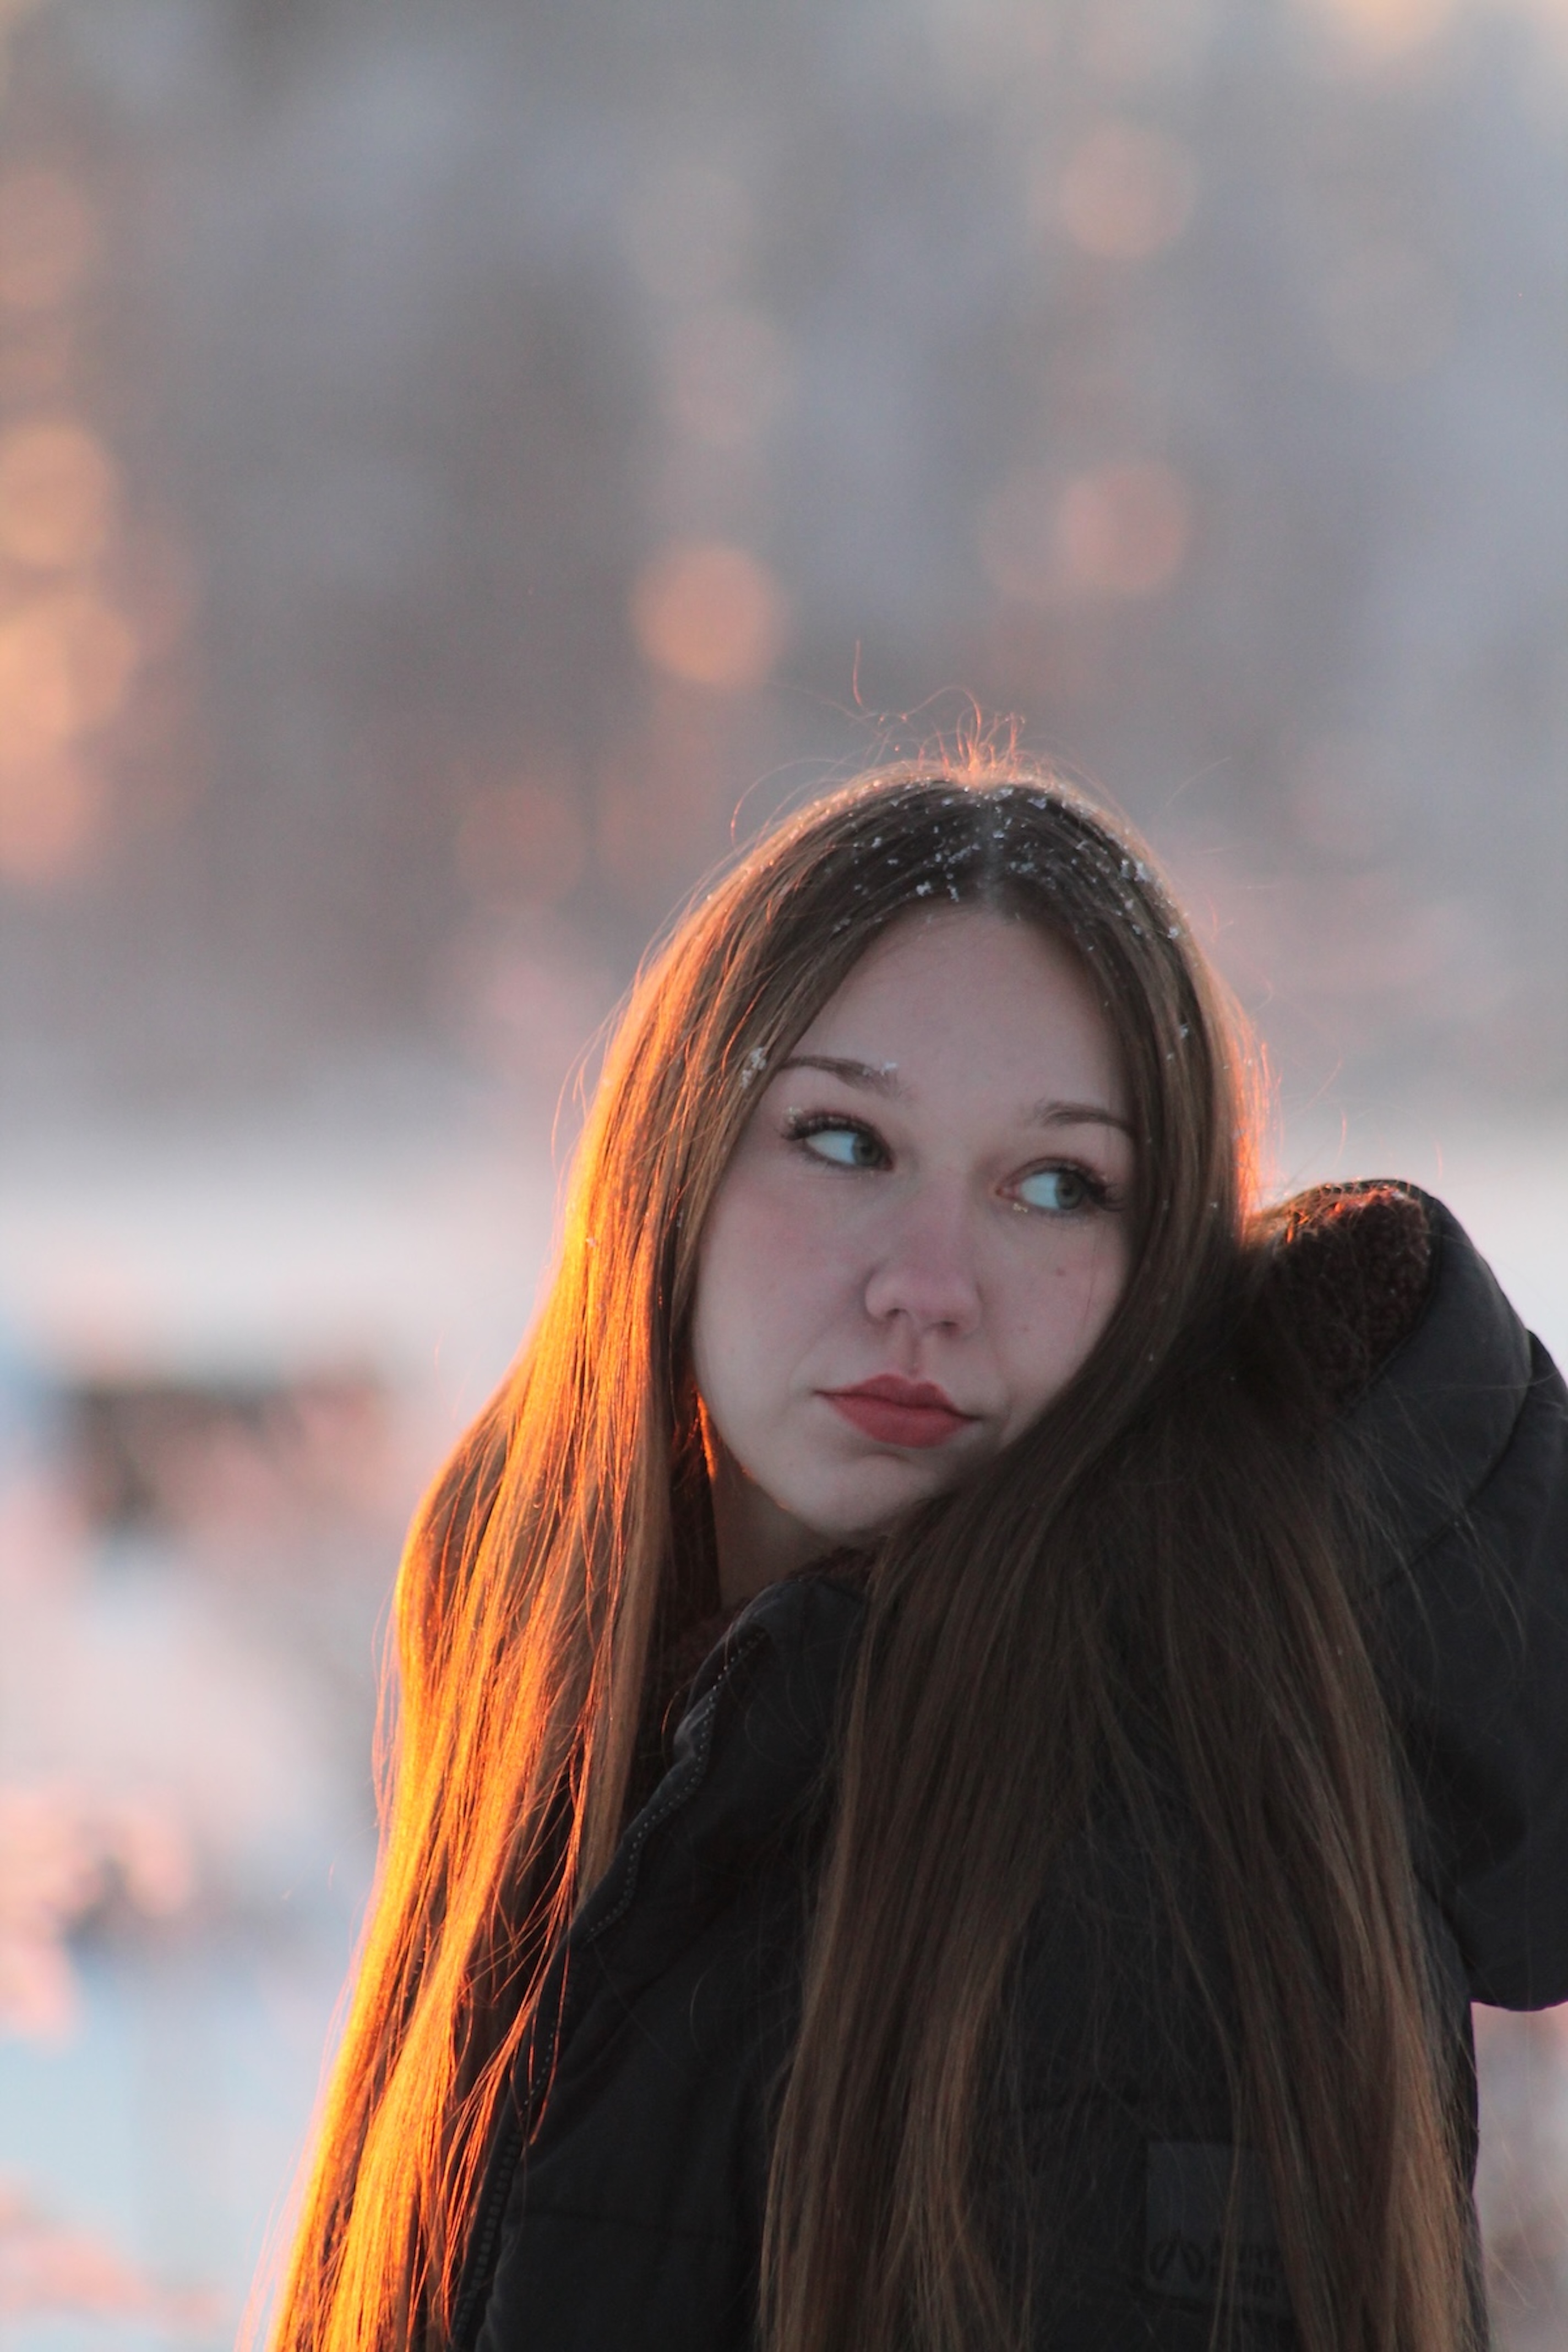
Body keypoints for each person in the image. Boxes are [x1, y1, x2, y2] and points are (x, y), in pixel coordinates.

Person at [274, 769, 1568, 2352]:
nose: (929, 1287)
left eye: (1055, 1186)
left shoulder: (1153, 1838)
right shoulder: (561, 1655)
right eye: (843, 1139)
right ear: (668, 1170)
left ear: (1158, 1276)